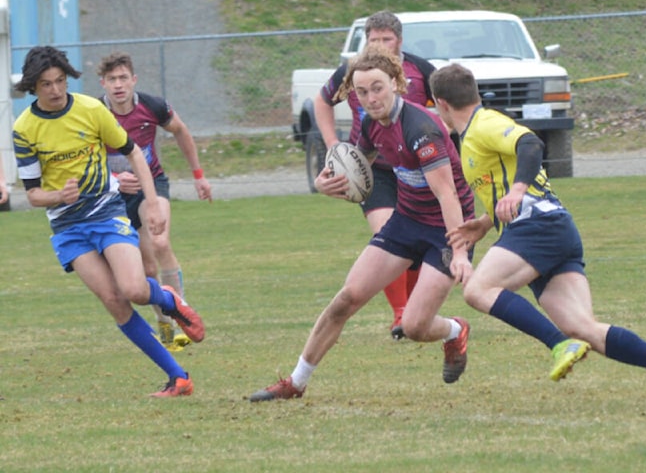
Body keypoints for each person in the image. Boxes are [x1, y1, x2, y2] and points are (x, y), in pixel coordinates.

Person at [431, 63, 646, 407]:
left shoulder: (484, 124)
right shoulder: (472, 135)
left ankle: (557, 344)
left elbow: (530, 144)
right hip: (553, 227)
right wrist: (486, 222)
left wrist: (516, 191)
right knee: (583, 327)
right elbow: (505, 178)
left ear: (440, 103)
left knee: (477, 289)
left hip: (537, 228)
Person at [248, 49, 475, 401]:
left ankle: (454, 330)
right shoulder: (370, 124)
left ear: (397, 84)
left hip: (446, 230)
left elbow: (448, 195)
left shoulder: (421, 129)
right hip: (407, 220)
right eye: (363, 92)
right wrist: (328, 185)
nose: (371, 98)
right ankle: (296, 382)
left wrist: (460, 252)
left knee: (414, 327)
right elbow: (357, 173)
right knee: (346, 299)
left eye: (378, 88)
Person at [12, 46, 205, 397]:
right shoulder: (24, 128)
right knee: (115, 302)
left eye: (59, 81)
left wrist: (151, 202)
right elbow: (32, 194)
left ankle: (171, 301)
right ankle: (179, 377)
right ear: (32, 87)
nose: (55, 90)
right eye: (45, 84)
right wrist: (58, 196)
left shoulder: (90, 109)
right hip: (68, 227)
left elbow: (133, 152)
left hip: (106, 212)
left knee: (133, 288)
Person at [315, 10, 436, 340]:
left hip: (414, 170)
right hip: (373, 170)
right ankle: (400, 313)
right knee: (387, 233)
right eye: (373, 40)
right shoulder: (353, 71)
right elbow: (322, 101)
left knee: (415, 245)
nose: (380, 45)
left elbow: (446, 110)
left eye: (387, 39)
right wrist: (334, 148)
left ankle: (412, 309)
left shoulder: (420, 70)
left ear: (399, 41)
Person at [97, 52, 213, 351]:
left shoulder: (152, 106)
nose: (119, 85)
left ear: (134, 80)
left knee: (160, 242)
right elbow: (86, 156)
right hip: (115, 197)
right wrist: (114, 178)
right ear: (103, 84)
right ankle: (165, 322)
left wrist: (198, 176)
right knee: (147, 269)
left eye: (124, 78)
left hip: (154, 186)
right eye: (112, 79)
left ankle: (181, 313)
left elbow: (181, 131)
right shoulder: (94, 112)